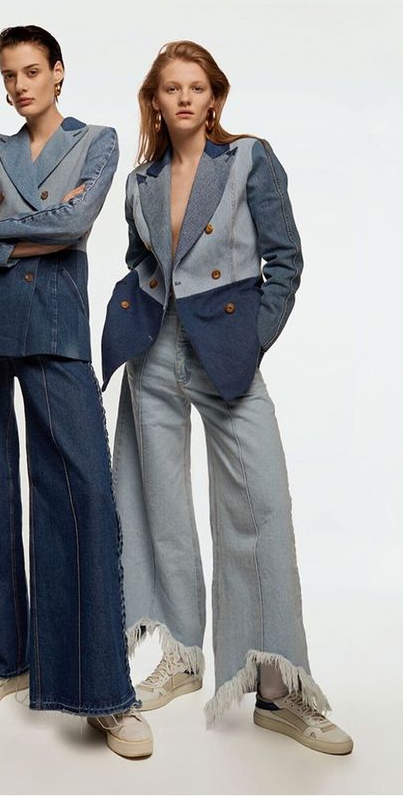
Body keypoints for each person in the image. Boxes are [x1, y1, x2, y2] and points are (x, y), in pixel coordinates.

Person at [100, 40, 353, 756]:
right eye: (171, 87)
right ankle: (180, 656)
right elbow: (141, 261)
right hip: (154, 352)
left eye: (197, 86)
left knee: (261, 507)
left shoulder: (248, 160)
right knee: (158, 507)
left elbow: (285, 259)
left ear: (214, 97)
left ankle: (277, 689)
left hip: (226, 352)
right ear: (155, 101)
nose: (184, 97)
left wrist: (253, 341)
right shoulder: (140, 180)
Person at [0, 24, 152, 760]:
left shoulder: (97, 142)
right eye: (8, 75)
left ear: (57, 73)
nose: (19, 86)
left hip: (54, 328)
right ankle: (1, 655)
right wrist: (28, 235)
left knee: (81, 496)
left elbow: (77, 221)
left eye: (30, 71)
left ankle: (101, 689)